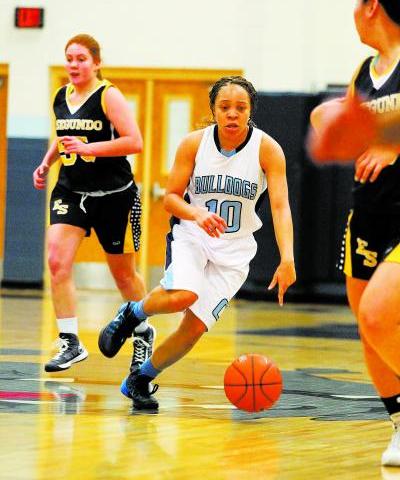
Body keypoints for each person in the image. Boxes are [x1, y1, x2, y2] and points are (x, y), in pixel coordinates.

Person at [98, 75, 296, 410]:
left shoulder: (267, 149)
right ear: (214, 110)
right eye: (225, 107)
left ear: (250, 111)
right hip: (192, 235)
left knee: (193, 329)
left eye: (240, 107)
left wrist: (287, 258)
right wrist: (197, 214)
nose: (232, 113)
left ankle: (140, 379)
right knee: (183, 296)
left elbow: (279, 206)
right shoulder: (194, 143)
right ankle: (132, 313)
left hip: (234, 252)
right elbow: (171, 198)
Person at [309, 0, 400, 467]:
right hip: (367, 212)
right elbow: (338, 121)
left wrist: (393, 146)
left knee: (381, 312)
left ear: (373, 7)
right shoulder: (365, 71)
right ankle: (399, 424)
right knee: (368, 323)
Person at [33, 34, 151, 373]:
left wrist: (90, 150)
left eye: (81, 58)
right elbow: (63, 136)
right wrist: (47, 162)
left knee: (124, 275)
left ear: (96, 62)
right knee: (56, 260)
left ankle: (143, 330)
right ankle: (70, 342)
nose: (73, 64)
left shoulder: (108, 95)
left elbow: (135, 141)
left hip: (114, 195)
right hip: (72, 191)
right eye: (69, 58)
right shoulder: (60, 96)